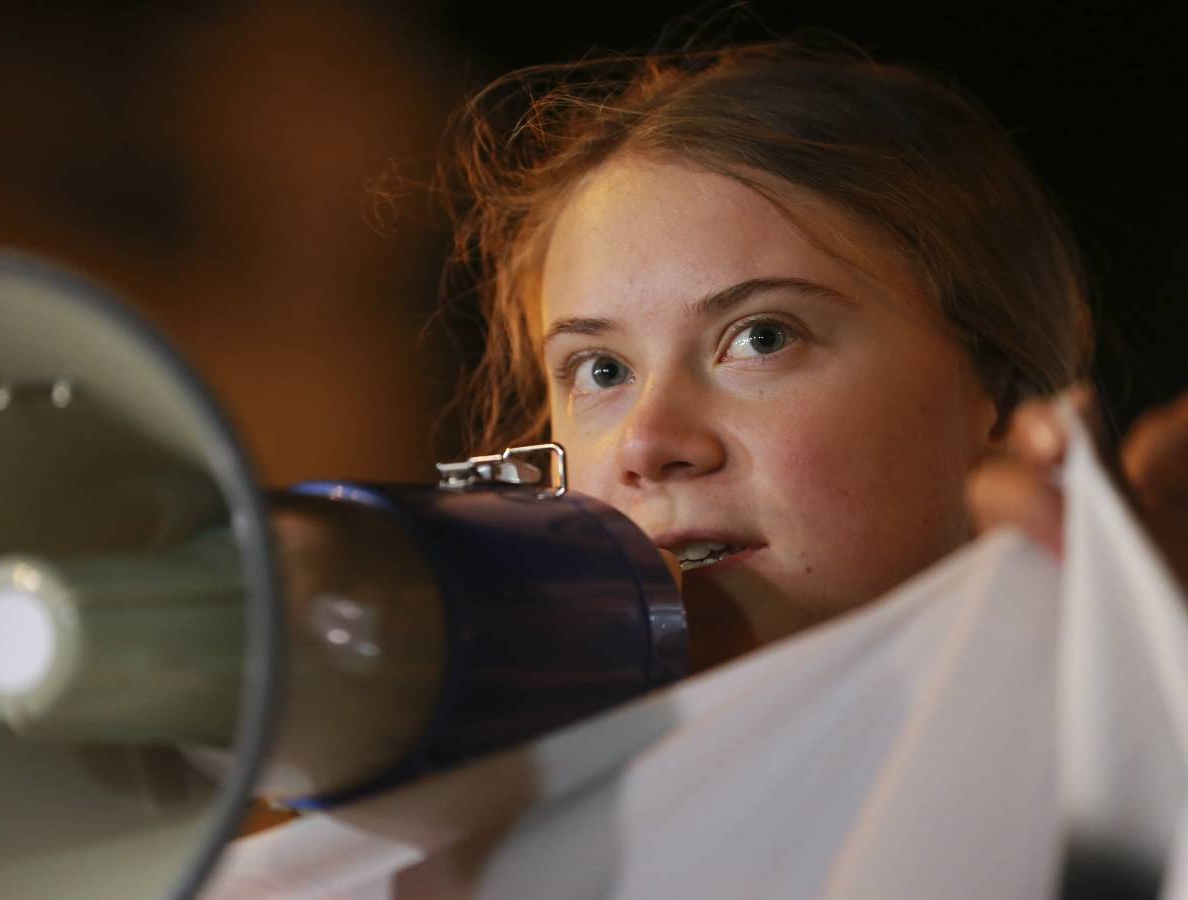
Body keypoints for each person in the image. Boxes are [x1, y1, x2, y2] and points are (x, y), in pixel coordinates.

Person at [435, 38, 1183, 669]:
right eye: (602, 370)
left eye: (762, 338)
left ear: (1001, 393)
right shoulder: (472, 812)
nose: (647, 442)